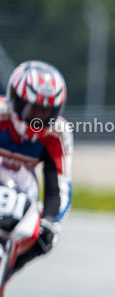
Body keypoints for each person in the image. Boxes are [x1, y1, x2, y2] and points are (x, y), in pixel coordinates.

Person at [0, 60, 72, 278]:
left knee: (47, 239)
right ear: (16, 100)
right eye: (33, 108)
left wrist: (51, 222)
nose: (39, 117)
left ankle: (4, 276)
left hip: (20, 193)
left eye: (46, 112)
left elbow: (59, 186)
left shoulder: (58, 133)